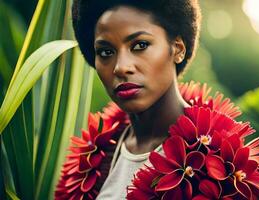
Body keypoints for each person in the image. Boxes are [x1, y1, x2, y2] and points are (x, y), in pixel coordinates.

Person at [69, 0, 201, 199]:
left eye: (140, 45)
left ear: (178, 49)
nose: (121, 67)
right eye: (106, 52)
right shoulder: (97, 158)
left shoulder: (216, 164)